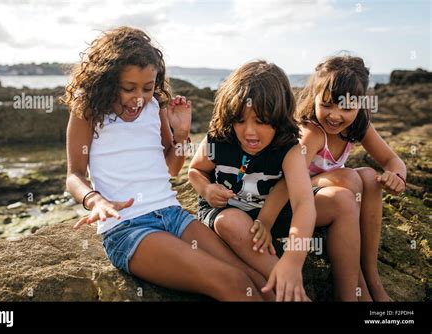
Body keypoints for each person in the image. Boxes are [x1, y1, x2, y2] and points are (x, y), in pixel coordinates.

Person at [62, 26, 272, 301]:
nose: (139, 98)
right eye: (128, 88)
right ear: (107, 81)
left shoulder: (155, 107)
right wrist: (95, 201)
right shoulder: (87, 109)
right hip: (128, 229)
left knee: (254, 278)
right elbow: (74, 175)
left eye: (147, 88)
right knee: (232, 281)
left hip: (173, 215)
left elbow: (171, 168)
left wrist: (182, 134)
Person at [188, 60, 316, 301]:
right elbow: (195, 170)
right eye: (240, 120)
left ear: (279, 118)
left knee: (341, 201)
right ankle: (289, 290)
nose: (249, 132)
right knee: (231, 222)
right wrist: (206, 189)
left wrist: (293, 259)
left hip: (273, 212)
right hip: (229, 211)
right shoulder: (219, 140)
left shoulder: (289, 148)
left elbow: (303, 203)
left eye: (260, 121)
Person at [295, 55, 407, 301]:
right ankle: (359, 288)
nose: (335, 115)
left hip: (332, 196)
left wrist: (397, 176)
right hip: (296, 200)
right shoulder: (311, 133)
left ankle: (370, 274)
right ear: (314, 96)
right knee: (350, 178)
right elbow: (291, 184)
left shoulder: (358, 126)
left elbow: (393, 161)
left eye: (346, 107)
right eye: (327, 104)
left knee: (369, 176)